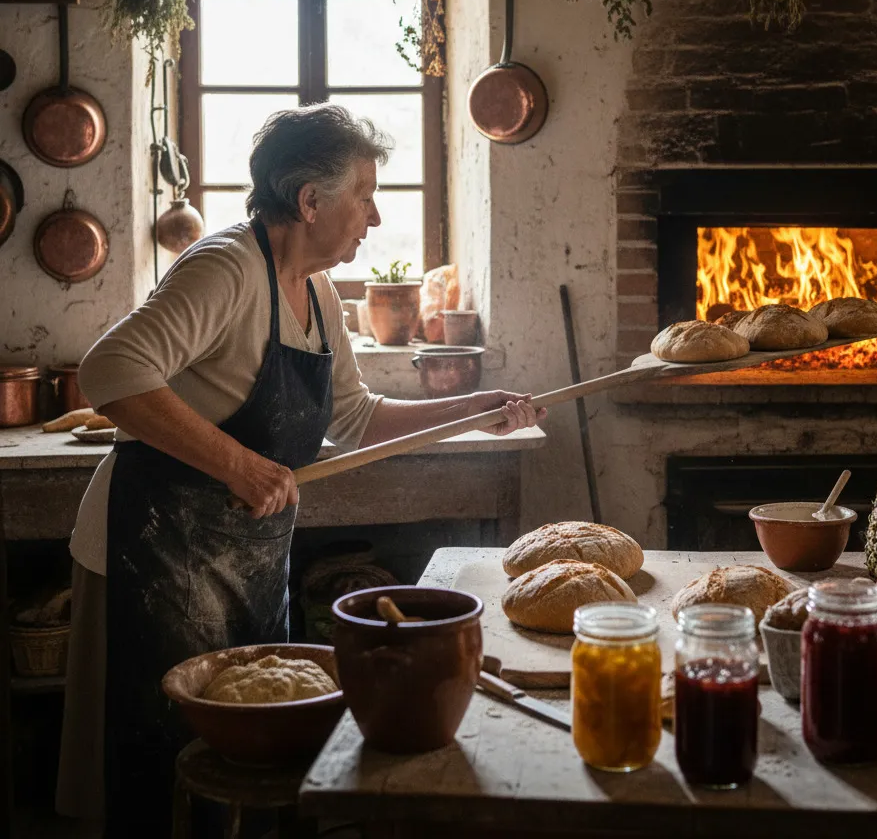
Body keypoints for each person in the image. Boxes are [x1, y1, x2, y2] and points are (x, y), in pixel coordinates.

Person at [55, 103, 543, 835]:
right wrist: (242, 467)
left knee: (251, 750)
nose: (373, 219)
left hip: (242, 554)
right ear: (310, 201)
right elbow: (111, 370)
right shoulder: (225, 268)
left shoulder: (317, 293)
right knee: (158, 759)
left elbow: (355, 416)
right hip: (150, 547)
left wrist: (475, 409)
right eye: (365, 195)